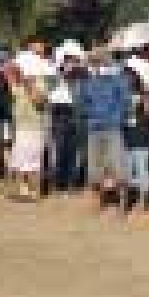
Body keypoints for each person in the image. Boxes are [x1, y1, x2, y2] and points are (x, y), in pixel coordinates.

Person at [78, 49, 130, 215]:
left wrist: (118, 117)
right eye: (94, 62)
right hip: (94, 128)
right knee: (95, 169)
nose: (97, 65)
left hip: (112, 127)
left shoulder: (118, 81)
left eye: (99, 61)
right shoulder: (87, 83)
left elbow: (125, 102)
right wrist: (89, 115)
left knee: (118, 167)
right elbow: (81, 104)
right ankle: (99, 203)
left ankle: (122, 206)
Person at [7, 65, 49, 201]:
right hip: (21, 128)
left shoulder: (39, 83)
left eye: (11, 75)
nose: (9, 79)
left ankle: (35, 191)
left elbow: (40, 102)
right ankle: (24, 190)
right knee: (21, 161)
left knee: (34, 161)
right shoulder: (16, 88)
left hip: (34, 128)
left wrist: (28, 85)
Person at [121, 66, 149, 218]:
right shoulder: (121, 96)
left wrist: (145, 97)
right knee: (127, 171)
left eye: (127, 78)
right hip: (127, 136)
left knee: (142, 170)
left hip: (142, 137)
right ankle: (126, 203)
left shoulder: (145, 95)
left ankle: (142, 203)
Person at [49, 56, 83, 194]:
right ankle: (59, 183)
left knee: (73, 151)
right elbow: (49, 98)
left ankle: (71, 182)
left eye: (73, 64)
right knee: (60, 149)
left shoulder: (78, 81)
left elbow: (79, 99)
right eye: (68, 64)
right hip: (59, 115)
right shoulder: (55, 80)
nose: (70, 67)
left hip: (74, 116)